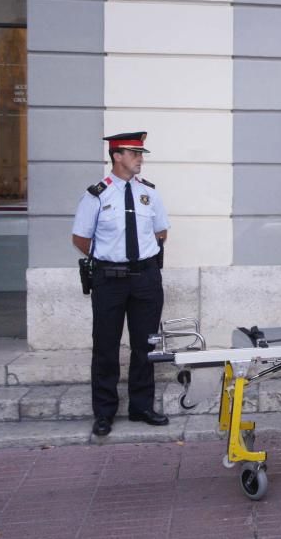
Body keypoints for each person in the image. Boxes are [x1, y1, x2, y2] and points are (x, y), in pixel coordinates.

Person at [71, 132, 170, 437]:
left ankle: (141, 406)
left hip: (145, 278)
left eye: (141, 153)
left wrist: (139, 257)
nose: (140, 159)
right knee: (105, 347)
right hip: (109, 280)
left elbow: (161, 232)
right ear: (117, 155)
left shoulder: (149, 194)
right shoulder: (97, 195)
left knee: (145, 345)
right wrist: (109, 258)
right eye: (134, 153)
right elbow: (80, 239)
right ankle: (104, 412)